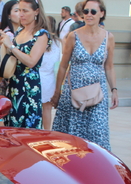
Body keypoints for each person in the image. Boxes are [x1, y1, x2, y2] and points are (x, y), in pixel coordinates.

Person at [52, 0, 118, 151]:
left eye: (93, 12)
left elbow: (109, 67)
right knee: (71, 137)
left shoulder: (109, 37)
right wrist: (57, 92)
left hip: (98, 94)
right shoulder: (73, 36)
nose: (88, 15)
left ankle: (97, 169)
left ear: (101, 13)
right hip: (73, 92)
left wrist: (114, 89)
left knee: (98, 134)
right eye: (86, 11)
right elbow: (63, 66)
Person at [0, 0, 49, 128]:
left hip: (29, 86)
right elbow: (13, 57)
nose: (21, 14)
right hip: (14, 84)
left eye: (25, 11)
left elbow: (31, 61)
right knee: (12, 125)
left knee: (28, 127)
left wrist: (11, 46)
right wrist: (3, 43)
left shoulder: (41, 34)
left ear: (36, 11)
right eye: (19, 10)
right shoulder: (19, 31)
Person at [0, 0, 19, 95]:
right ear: (8, 15)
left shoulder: (19, 32)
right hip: (8, 78)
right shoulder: (8, 34)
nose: (21, 14)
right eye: (16, 10)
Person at [42, 16, 61, 130]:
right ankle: (47, 131)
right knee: (47, 109)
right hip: (51, 78)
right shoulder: (58, 42)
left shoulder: (40, 40)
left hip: (39, 76)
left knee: (37, 108)